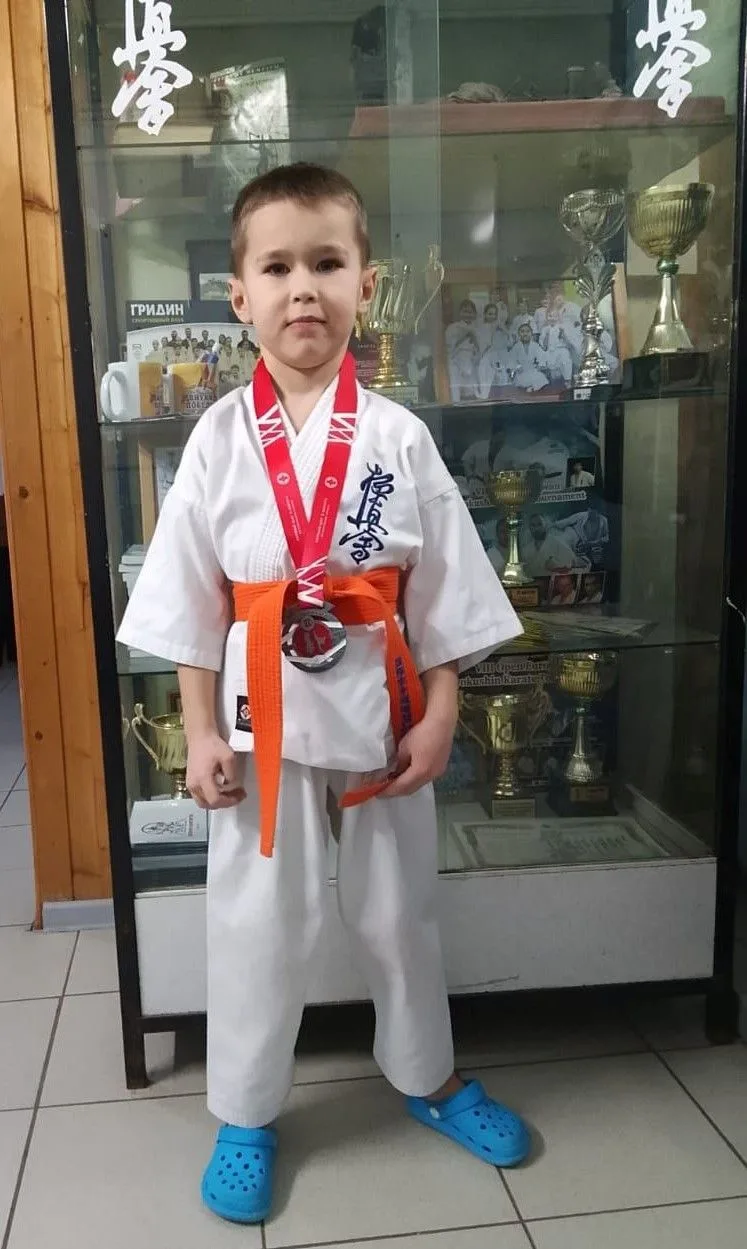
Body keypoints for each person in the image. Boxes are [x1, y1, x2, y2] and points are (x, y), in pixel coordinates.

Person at [117, 162, 531, 1226]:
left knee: (398, 909)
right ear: (239, 295)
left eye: (327, 263)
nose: (303, 287)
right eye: (277, 267)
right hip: (258, 721)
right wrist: (197, 730)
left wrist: (442, 712)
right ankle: (246, 1111)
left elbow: (442, 596)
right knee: (259, 917)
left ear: (365, 284)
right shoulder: (217, 438)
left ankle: (429, 1076)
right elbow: (191, 604)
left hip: (382, 711)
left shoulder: (397, 435)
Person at [520, 512, 584, 578]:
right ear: (530, 528)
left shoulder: (557, 543)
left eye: (540, 524)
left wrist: (557, 566)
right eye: (533, 525)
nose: (536, 528)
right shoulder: (526, 550)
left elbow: (573, 561)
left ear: (545, 526)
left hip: (554, 582)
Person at [445, 299, 481, 400]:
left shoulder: (477, 329)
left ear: (474, 314)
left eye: (470, 312)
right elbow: (448, 347)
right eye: (465, 311)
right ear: (460, 312)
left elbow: (481, 349)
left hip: (472, 363)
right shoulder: (453, 328)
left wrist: (474, 338)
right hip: (456, 363)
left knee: (472, 393)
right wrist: (464, 335)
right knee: (456, 393)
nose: (467, 314)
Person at [507, 322, 549, 392]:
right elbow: (511, 360)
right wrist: (517, 367)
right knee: (521, 379)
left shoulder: (535, 345)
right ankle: (531, 386)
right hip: (521, 372)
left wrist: (540, 365)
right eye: (522, 331)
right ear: (519, 334)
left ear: (531, 334)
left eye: (527, 331)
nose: (525, 334)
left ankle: (532, 387)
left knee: (541, 377)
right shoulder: (516, 346)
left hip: (532, 371)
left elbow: (542, 357)